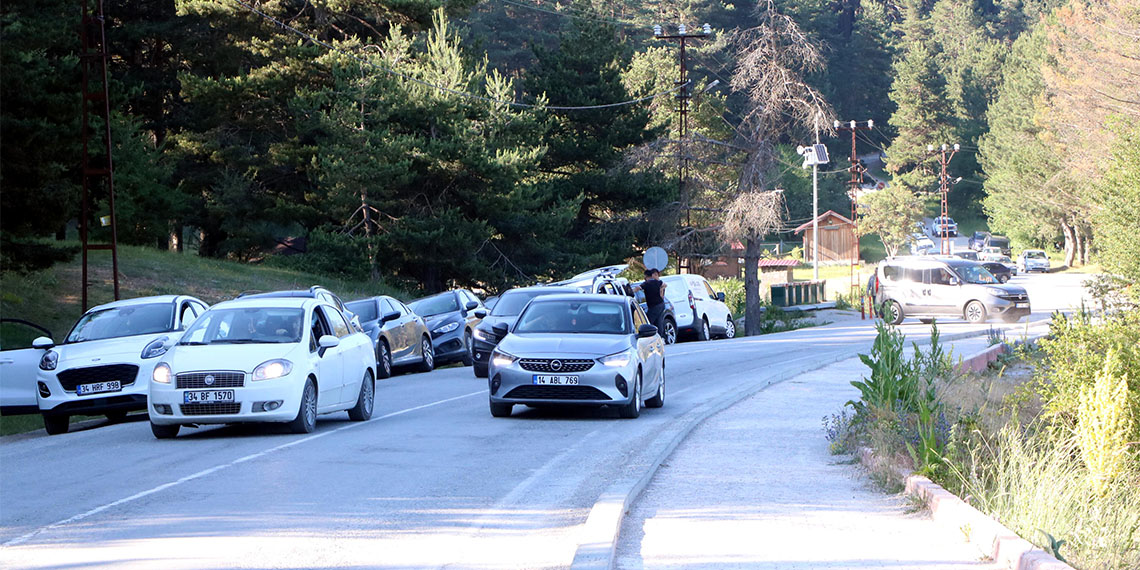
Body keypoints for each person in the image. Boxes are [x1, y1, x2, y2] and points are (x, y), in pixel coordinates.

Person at [633, 268, 668, 337]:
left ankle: (649, 336)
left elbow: (638, 288)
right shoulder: (658, 282)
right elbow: (665, 285)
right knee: (659, 321)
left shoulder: (646, 283)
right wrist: (661, 290)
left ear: (646, 276)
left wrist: (631, 291)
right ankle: (660, 336)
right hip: (661, 304)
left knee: (648, 321)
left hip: (654, 306)